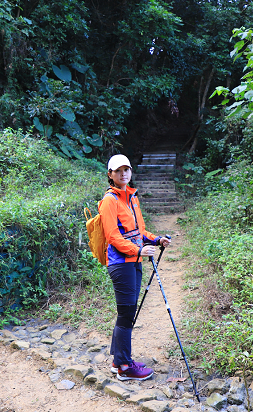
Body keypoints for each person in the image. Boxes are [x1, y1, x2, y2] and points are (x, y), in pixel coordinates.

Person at [99, 154, 171, 381]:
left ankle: (118, 361)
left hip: (134, 261)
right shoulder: (110, 200)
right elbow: (112, 236)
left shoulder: (132, 197)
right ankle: (124, 369)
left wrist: (156, 239)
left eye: (126, 169)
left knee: (126, 314)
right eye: (118, 170)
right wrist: (138, 251)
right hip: (121, 264)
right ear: (110, 174)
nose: (123, 174)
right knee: (127, 314)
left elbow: (139, 232)